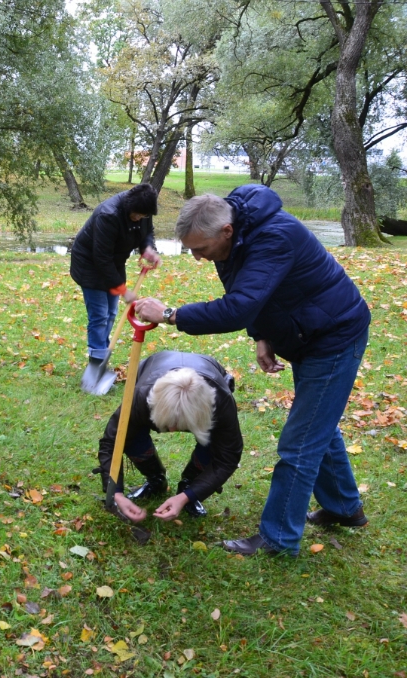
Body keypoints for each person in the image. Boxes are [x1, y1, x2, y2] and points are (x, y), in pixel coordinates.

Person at [135, 185, 371, 556]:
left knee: (300, 444)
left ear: (226, 231)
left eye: (201, 249)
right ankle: (345, 508)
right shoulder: (234, 235)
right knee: (317, 427)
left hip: (333, 336)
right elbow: (254, 291)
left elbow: (239, 305)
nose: (198, 258)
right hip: (306, 331)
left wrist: (170, 315)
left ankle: (278, 539)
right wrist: (263, 334)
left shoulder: (275, 236)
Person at [96, 351, 242, 522]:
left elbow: (228, 458)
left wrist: (188, 496)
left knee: (213, 442)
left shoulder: (221, 403)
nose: (172, 430)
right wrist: (116, 492)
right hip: (153, 371)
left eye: (179, 424)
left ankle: (189, 485)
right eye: (167, 423)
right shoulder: (141, 397)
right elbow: (112, 442)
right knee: (130, 435)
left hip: (209, 384)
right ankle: (155, 479)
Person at [69, 183, 162, 376]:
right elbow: (101, 259)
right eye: (137, 215)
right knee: (99, 315)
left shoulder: (143, 207)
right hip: (90, 265)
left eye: (143, 216)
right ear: (129, 207)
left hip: (114, 262)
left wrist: (148, 249)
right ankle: (96, 363)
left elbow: (147, 232)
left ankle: (103, 354)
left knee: (111, 313)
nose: (139, 218)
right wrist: (122, 290)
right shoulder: (108, 215)